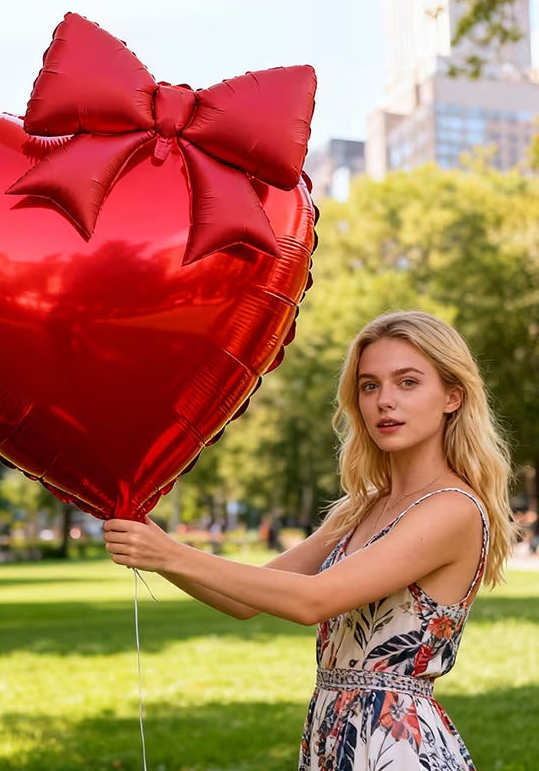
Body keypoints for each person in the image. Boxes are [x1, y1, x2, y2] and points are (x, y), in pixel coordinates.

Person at [104, 310, 516, 770]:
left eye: (408, 382)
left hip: (397, 746)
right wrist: (155, 549)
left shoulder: (452, 509)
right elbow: (245, 599)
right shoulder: (359, 506)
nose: (385, 401)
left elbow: (313, 601)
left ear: (452, 397)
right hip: (330, 732)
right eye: (369, 385)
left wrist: (170, 552)